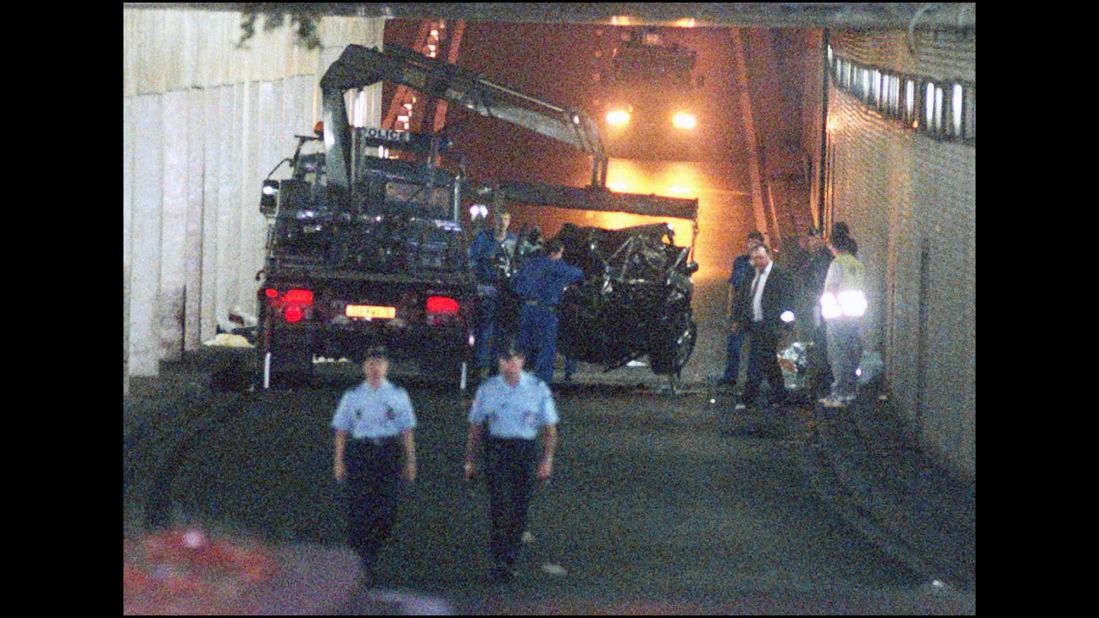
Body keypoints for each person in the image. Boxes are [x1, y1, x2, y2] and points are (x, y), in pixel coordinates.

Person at [463, 347, 558, 582]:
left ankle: (510, 557)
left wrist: (546, 460)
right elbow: (475, 428)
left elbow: (549, 429)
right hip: (498, 448)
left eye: (514, 359)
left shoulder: (537, 389)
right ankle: (499, 558)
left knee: (519, 506)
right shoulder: (488, 389)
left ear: (522, 361)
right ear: (499, 362)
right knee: (499, 504)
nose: (509, 365)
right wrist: (471, 461)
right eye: (505, 359)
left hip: (524, 450)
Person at [331, 346, 417, 582]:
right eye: (370, 363)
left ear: (386, 367)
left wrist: (410, 460)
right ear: (364, 367)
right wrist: (339, 461)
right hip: (361, 453)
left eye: (379, 363)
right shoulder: (353, 396)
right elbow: (341, 429)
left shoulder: (398, 396)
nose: (374, 368)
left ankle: (373, 549)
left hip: (387, 453)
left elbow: (406, 430)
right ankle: (363, 560)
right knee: (360, 507)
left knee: (386, 510)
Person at [731, 243, 796, 410]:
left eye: (760, 258)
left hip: (770, 324)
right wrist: (737, 318)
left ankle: (750, 397)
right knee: (767, 360)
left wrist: (785, 325)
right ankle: (778, 395)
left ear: (768, 256)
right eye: (754, 259)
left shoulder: (780, 275)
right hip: (754, 323)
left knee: (761, 358)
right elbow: (743, 296)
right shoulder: (751, 274)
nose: (757, 262)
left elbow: (788, 301)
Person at [512, 238, 583, 385]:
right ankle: (540, 386)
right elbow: (576, 274)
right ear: (555, 252)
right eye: (561, 254)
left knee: (523, 349)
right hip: (545, 313)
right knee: (545, 351)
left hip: (526, 310)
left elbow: (515, 285)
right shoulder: (555, 266)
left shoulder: (528, 264)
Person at [819, 234, 866, 408]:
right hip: (853, 315)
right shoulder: (857, 264)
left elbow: (832, 289)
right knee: (851, 353)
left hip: (838, 316)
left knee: (838, 355)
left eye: (830, 246)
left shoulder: (837, 264)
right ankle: (851, 391)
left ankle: (838, 394)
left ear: (833, 246)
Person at [469, 208, 518, 378]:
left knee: (502, 333)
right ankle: (480, 366)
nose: (502, 223)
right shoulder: (483, 238)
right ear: (494, 221)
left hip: (506, 293)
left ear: (509, 221)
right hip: (487, 289)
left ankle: (496, 367)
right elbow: (472, 260)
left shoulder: (513, 240)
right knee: (484, 329)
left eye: (505, 219)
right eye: (499, 219)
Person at [721, 231, 764, 388]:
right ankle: (730, 376)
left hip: (756, 311)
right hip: (740, 310)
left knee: (755, 347)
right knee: (734, 344)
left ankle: (753, 379)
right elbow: (733, 286)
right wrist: (729, 308)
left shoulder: (764, 264)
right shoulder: (739, 261)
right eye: (749, 242)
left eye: (755, 243)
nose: (750, 245)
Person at [798, 227, 835, 396]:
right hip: (812, 304)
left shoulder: (827, 258)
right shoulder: (807, 258)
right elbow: (800, 276)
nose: (814, 242)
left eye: (817, 239)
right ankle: (814, 378)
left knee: (821, 338)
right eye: (811, 238)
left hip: (823, 304)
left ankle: (823, 377)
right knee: (812, 339)